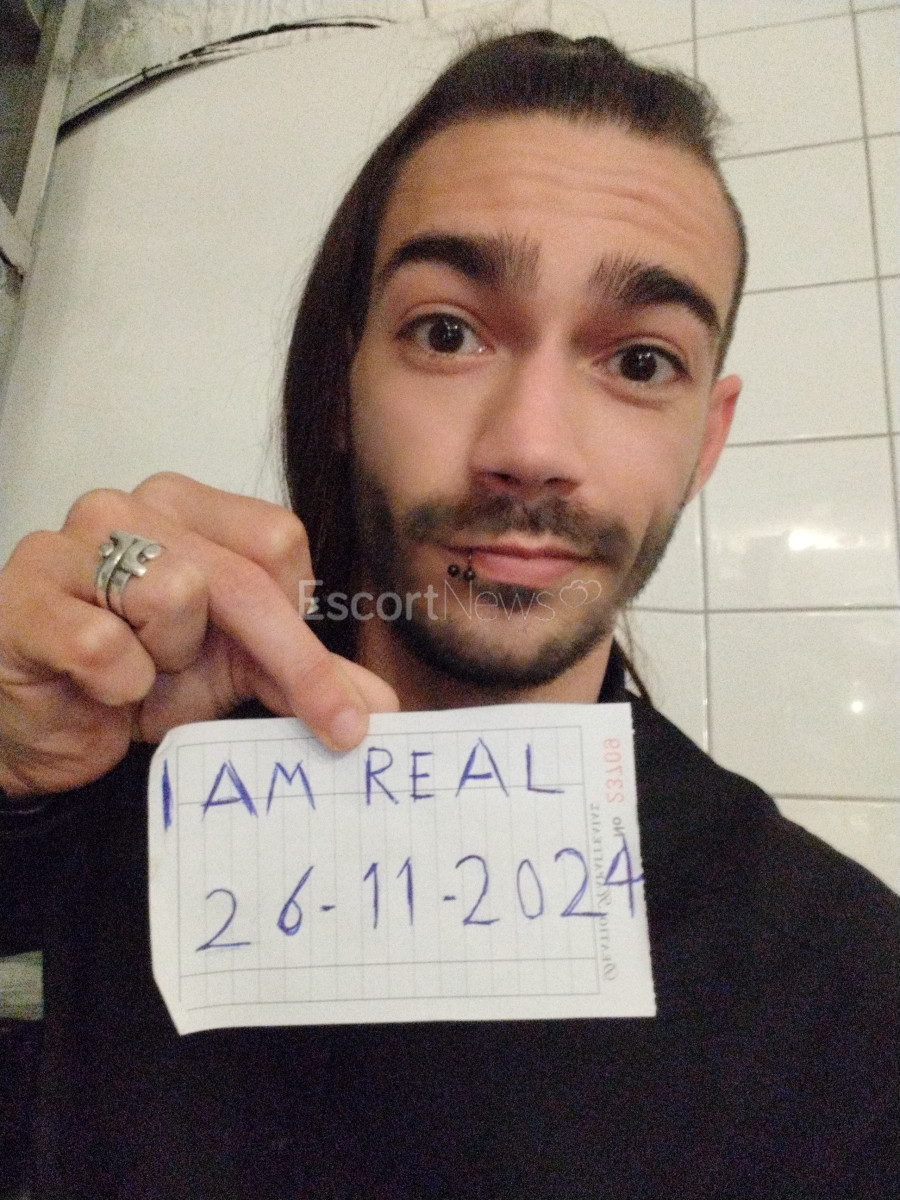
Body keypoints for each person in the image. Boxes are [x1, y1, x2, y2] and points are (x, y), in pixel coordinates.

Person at [1, 29, 897, 1199]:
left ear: (706, 440)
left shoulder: (850, 997)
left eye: (639, 362)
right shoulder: (107, 781)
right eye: (447, 332)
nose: (531, 446)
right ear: (342, 385)